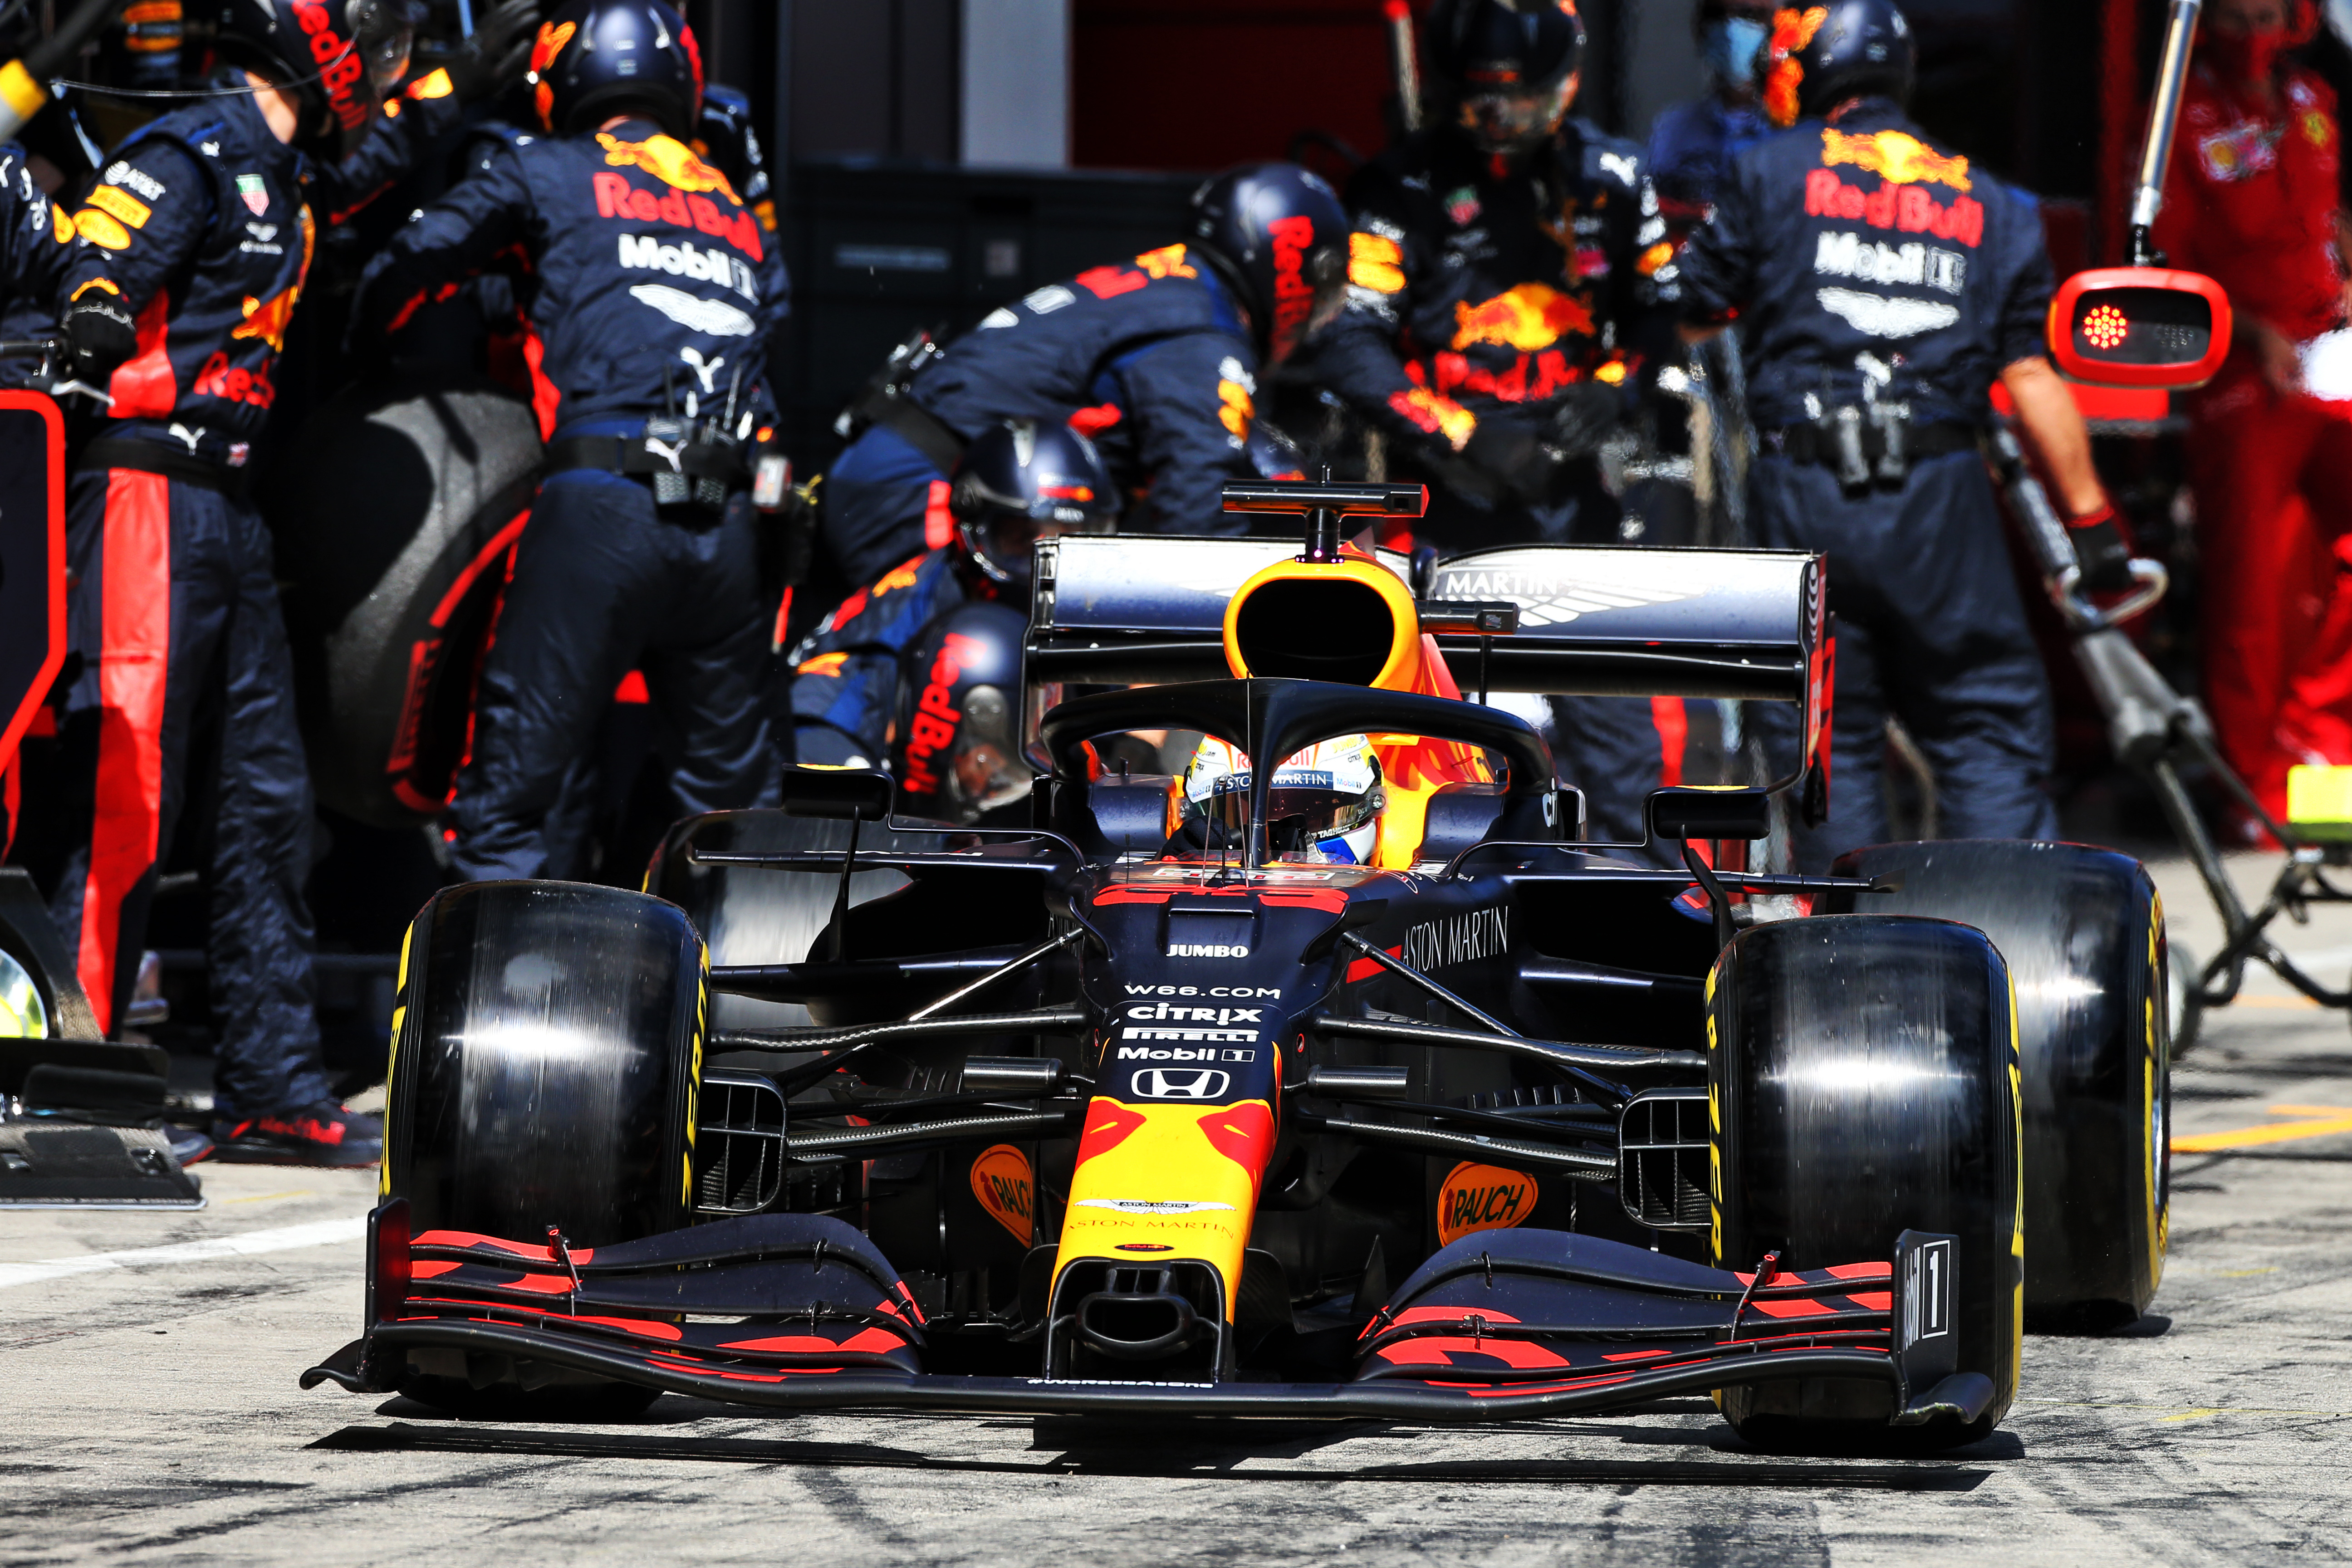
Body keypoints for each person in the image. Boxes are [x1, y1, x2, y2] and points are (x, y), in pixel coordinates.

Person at [40, 0, 534, 1166]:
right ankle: (75, 1075)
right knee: (121, 791)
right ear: (319, 35)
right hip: (146, 490)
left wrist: (456, 82)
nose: (381, 62)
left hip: (234, 510)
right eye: (376, 39)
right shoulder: (190, 148)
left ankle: (268, 1084)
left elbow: (374, 168)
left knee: (269, 807)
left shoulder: (284, 164)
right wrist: (96, 301)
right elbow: (88, 258)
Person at [350, 0, 789, 885]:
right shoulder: (742, 215)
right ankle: (734, 1017)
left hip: (601, 508)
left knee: (510, 803)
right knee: (736, 827)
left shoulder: (544, 168)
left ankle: (499, 1010)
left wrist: (405, 332)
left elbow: (397, 277)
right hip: (728, 526)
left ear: (565, 79)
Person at [1677, 0, 2121, 871]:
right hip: (1939, 498)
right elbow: (2031, 378)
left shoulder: (1764, 172)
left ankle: (1852, 967)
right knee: (1981, 715)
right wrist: (2093, 528)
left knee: (1821, 737)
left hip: (1803, 494)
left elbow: (1692, 317)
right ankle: (2003, 937)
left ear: (1807, 72)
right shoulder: (1996, 204)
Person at [1313, 0, 1682, 851]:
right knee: (1425, 730)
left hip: (1578, 495)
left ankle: (1640, 906)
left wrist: (1616, 389)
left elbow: (1663, 311)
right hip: (1443, 501)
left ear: (1563, 84)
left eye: (1516, 99)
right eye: (1482, 99)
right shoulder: (1397, 189)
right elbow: (1348, 343)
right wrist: (1460, 436)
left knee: (1618, 738)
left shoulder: (1616, 176)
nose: (1498, 119)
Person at [819, 161, 1350, 590]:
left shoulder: (1172, 285)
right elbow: (1198, 505)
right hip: (924, 489)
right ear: (1289, 264)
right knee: (968, 669)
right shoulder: (1202, 330)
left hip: (898, 471)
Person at [2153, 0, 2352, 834]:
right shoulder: (2179, 116)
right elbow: (2165, 259)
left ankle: (2322, 754)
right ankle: (2250, 791)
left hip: (2326, 358)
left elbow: (2327, 218)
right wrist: (2247, 329)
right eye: (2242, 9)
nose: (2259, 24)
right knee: (2253, 591)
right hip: (2242, 380)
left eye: (2273, 8)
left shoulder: (2310, 101)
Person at [792, 419, 1119, 821]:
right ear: (972, 530)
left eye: (1069, 541)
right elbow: (817, 715)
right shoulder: (907, 611)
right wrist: (860, 791)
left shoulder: (1098, 598)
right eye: (1020, 541)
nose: (1045, 571)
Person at [1646, 0, 1778, 223]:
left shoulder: (1803, 133)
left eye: (1749, 15)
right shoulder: (1672, 130)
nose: (1730, 29)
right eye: (1716, 14)